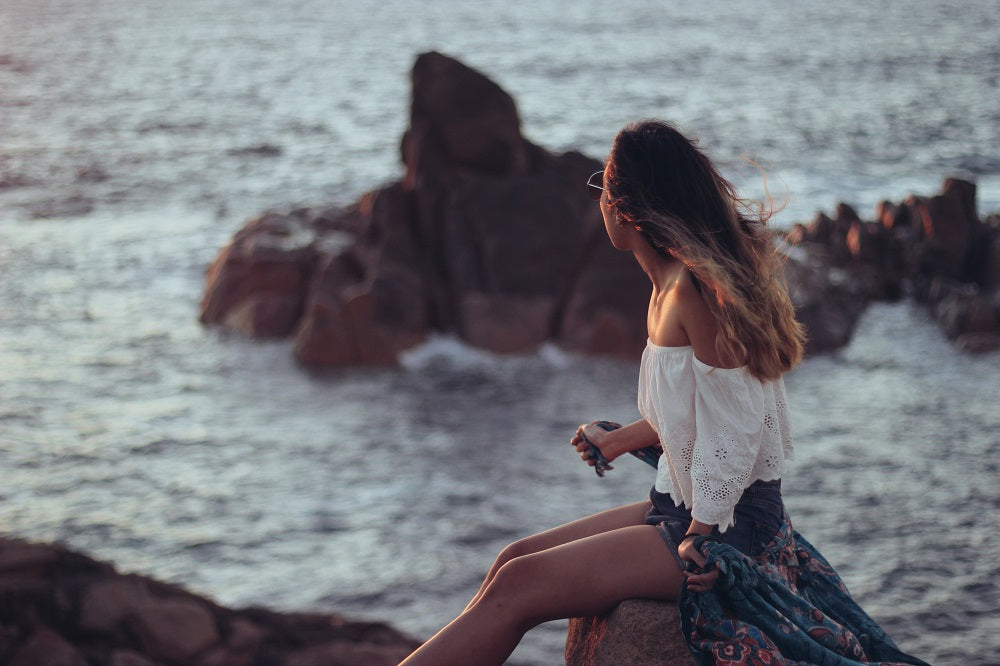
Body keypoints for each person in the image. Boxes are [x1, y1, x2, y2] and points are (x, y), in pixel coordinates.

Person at [399, 120, 925, 666]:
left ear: (626, 207)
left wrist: (702, 540)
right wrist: (620, 439)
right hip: (678, 503)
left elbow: (737, 430)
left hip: (730, 525)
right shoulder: (664, 289)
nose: (597, 199)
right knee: (515, 558)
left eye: (601, 185)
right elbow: (695, 411)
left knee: (521, 585)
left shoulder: (694, 291)